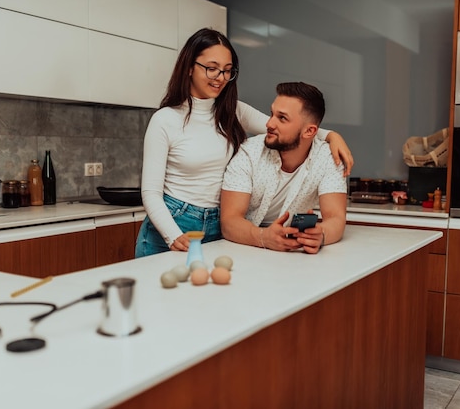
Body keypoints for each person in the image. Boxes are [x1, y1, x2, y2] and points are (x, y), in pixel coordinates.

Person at [135, 28, 352, 258]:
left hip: (217, 224)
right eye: (212, 68)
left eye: (227, 71)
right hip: (174, 221)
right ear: (189, 67)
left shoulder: (233, 111)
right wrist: (172, 235)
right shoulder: (165, 119)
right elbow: (150, 192)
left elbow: (285, 128)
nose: (220, 78)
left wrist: (331, 135)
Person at [220, 82, 347, 254]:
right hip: (243, 247)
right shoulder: (248, 153)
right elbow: (229, 221)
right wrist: (263, 237)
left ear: (309, 132)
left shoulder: (328, 158)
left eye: (282, 118)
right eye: (272, 114)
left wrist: (321, 235)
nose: (269, 123)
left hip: (292, 255)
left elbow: (336, 219)